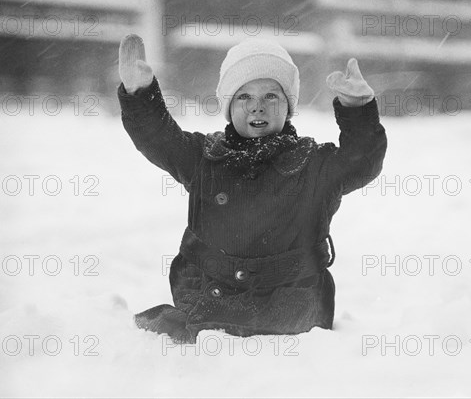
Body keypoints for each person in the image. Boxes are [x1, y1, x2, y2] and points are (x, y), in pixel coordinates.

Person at [117, 35, 387, 343]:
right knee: (200, 331)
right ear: (228, 108)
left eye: (271, 96)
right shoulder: (205, 157)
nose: (257, 107)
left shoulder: (313, 165)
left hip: (291, 298)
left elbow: (362, 161)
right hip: (211, 287)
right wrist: (140, 95)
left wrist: (358, 110)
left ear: (289, 108)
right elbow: (159, 139)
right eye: (244, 97)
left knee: (263, 337)